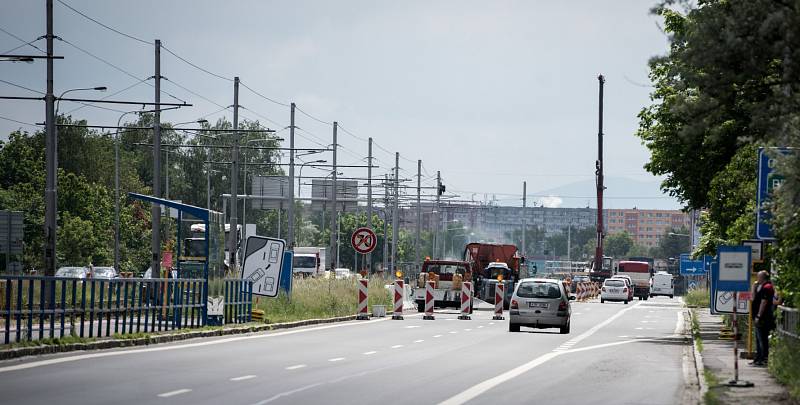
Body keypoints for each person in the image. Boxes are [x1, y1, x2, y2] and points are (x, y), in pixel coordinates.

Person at [750, 270, 775, 367]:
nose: (757, 279)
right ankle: (758, 358)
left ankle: (764, 359)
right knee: (758, 338)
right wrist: (753, 288)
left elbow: (763, 303)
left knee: (762, 339)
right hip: (757, 316)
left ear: (763, 277)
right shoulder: (760, 287)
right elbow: (753, 298)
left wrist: (758, 316)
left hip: (763, 318)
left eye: (758, 277)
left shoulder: (767, 287)